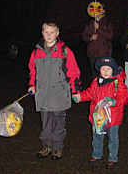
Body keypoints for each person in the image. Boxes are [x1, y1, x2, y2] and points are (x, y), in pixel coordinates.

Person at [28, 22, 81, 160]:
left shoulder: (65, 51)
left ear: (57, 33)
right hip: (43, 94)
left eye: (52, 32)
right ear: (42, 33)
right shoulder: (36, 52)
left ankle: (57, 148)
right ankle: (46, 146)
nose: (49, 35)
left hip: (59, 94)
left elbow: (73, 71)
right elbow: (32, 71)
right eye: (46, 32)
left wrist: (75, 91)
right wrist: (31, 85)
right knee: (45, 122)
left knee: (58, 122)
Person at [73, 57, 128, 169]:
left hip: (113, 118)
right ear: (99, 70)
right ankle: (97, 154)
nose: (106, 71)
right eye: (103, 69)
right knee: (97, 136)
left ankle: (113, 158)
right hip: (98, 116)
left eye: (108, 69)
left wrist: (114, 101)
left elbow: (124, 98)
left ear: (113, 70)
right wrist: (80, 97)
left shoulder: (118, 83)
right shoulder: (96, 81)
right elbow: (90, 93)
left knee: (113, 138)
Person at [82, 8, 113, 79]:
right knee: (94, 75)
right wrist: (90, 38)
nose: (98, 10)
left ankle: (104, 89)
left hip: (104, 54)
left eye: (100, 8)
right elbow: (84, 36)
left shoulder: (107, 22)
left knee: (104, 75)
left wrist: (99, 28)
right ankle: (96, 89)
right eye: (96, 8)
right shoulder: (90, 22)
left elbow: (110, 36)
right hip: (92, 53)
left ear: (104, 10)